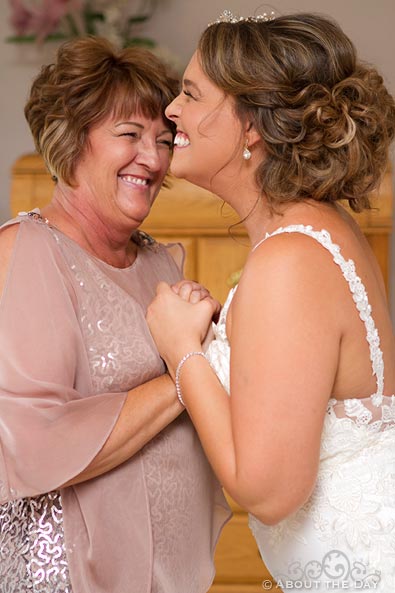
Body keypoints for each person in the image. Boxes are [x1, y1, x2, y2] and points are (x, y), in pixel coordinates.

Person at [146, 11, 395, 592]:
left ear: (250, 126)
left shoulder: (289, 261)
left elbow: (268, 492)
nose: (171, 112)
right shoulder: (316, 230)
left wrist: (185, 353)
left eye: (189, 94)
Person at [0, 37, 231, 593]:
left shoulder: (155, 259)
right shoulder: (28, 250)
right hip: (65, 575)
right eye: (128, 136)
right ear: (72, 141)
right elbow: (31, 445)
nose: (152, 159)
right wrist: (192, 362)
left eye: (161, 140)